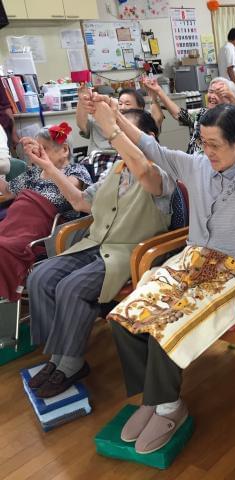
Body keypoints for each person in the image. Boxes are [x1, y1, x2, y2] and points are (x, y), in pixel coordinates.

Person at [103, 95, 235, 455]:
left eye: (215, 144)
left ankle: (170, 408)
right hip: (190, 263)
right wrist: (114, 119)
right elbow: (149, 145)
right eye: (204, 142)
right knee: (125, 317)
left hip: (233, 276)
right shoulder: (195, 164)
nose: (207, 151)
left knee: (167, 326)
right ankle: (153, 398)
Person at [25, 107, 174, 399]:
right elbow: (81, 202)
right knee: (40, 276)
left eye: (123, 131)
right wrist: (51, 168)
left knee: (71, 287)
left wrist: (113, 128)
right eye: (113, 130)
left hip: (128, 253)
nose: (114, 138)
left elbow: (143, 170)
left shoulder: (161, 173)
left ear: (149, 138)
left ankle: (70, 364)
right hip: (96, 244)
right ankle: (56, 356)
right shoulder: (116, 171)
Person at [0, 123, 92, 302]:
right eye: (36, 150)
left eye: (43, 149)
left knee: (3, 248)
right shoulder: (33, 173)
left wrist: (50, 168)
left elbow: (74, 195)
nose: (37, 155)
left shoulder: (76, 171)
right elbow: (8, 191)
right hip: (14, 225)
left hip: (40, 233)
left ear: (64, 149)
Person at [144, 77, 235, 154]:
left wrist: (233, 98)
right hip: (192, 164)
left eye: (219, 93)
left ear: (229, 99)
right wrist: (159, 91)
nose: (212, 96)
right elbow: (179, 114)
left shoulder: (232, 120)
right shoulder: (203, 113)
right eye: (211, 91)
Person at [77, 86, 161, 152]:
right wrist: (82, 100)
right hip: (96, 162)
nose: (122, 107)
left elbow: (158, 118)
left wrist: (153, 97)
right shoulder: (101, 120)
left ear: (140, 108)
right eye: (120, 103)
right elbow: (82, 125)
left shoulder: (142, 122)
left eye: (127, 104)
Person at [218, 28, 235, 98]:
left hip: (225, 85)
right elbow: (230, 69)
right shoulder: (230, 49)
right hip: (231, 87)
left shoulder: (223, 48)